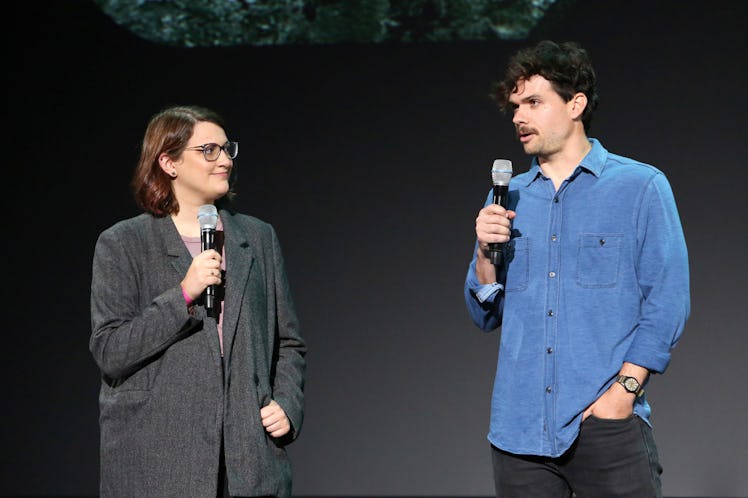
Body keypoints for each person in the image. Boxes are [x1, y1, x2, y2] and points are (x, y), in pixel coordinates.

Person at [464, 40, 690, 497]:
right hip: (519, 435)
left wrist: (624, 392)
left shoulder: (640, 187)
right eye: (514, 106)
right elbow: (485, 313)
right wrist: (483, 252)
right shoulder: (509, 197)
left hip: (605, 428)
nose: (518, 117)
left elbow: (668, 301)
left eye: (533, 102)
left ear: (575, 104)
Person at [90, 105, 306, 497]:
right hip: (158, 460)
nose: (224, 160)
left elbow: (288, 341)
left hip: (247, 461)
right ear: (169, 162)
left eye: (227, 149)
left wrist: (287, 403)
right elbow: (111, 350)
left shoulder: (257, 238)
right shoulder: (123, 243)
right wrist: (183, 294)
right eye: (208, 150)